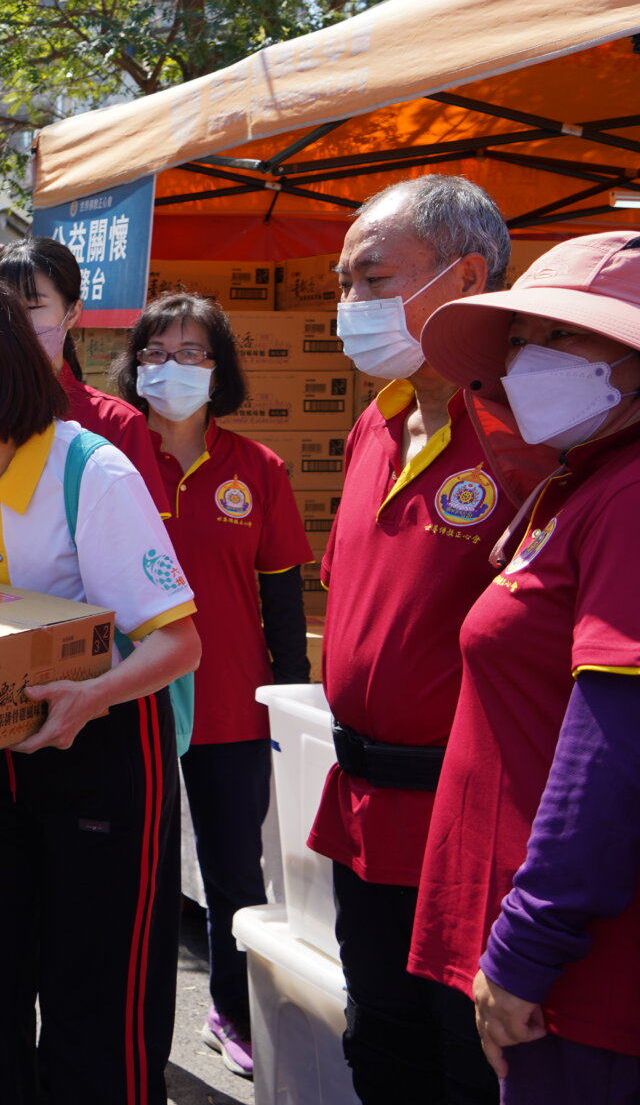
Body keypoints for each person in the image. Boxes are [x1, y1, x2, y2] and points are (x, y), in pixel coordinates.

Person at [0, 270, 201, 1104]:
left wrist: (90, 698)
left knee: (99, 994)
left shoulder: (90, 472)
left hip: (99, 742)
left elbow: (177, 642)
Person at [408, 230, 640, 1102]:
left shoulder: (628, 496)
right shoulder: (582, 482)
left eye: (558, 335)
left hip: (586, 983)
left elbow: (612, 757)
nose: (524, 359)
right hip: (560, 972)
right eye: (517, 339)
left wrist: (525, 953)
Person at [307, 174, 512, 1104]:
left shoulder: (525, 433)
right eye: (343, 283)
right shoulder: (376, 422)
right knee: (379, 1045)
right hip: (363, 814)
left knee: (466, 1063)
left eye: (371, 279)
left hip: (471, 831)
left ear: (464, 276)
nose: (349, 305)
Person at [113, 293, 312, 1079]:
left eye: (194, 351)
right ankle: (133, 1029)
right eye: (157, 351)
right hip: (131, 704)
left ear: (220, 369)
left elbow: (284, 600)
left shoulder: (257, 469)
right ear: (134, 365)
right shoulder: (109, 459)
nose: (174, 366)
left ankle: (232, 1010)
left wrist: (291, 709)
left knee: (235, 877)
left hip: (233, 708)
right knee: (142, 879)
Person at [0, 237, 173, 515]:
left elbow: (140, 542)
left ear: (73, 312)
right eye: (3, 308)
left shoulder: (116, 423)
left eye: (33, 307)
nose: (16, 322)